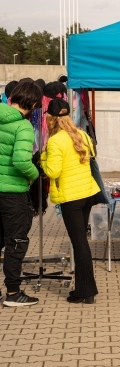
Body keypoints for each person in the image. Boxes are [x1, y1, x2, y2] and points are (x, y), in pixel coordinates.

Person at [41, 98, 100, 304]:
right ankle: (85, 289)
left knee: (79, 243)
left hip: (71, 198)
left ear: (51, 118)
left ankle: (86, 291)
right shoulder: (81, 134)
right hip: (86, 195)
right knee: (80, 241)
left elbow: (52, 171)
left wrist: (43, 158)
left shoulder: (56, 141)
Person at [0, 80, 41, 307]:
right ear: (34, 103)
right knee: (16, 242)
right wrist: (34, 175)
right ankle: (13, 293)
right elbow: (20, 161)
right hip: (13, 193)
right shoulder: (22, 126)